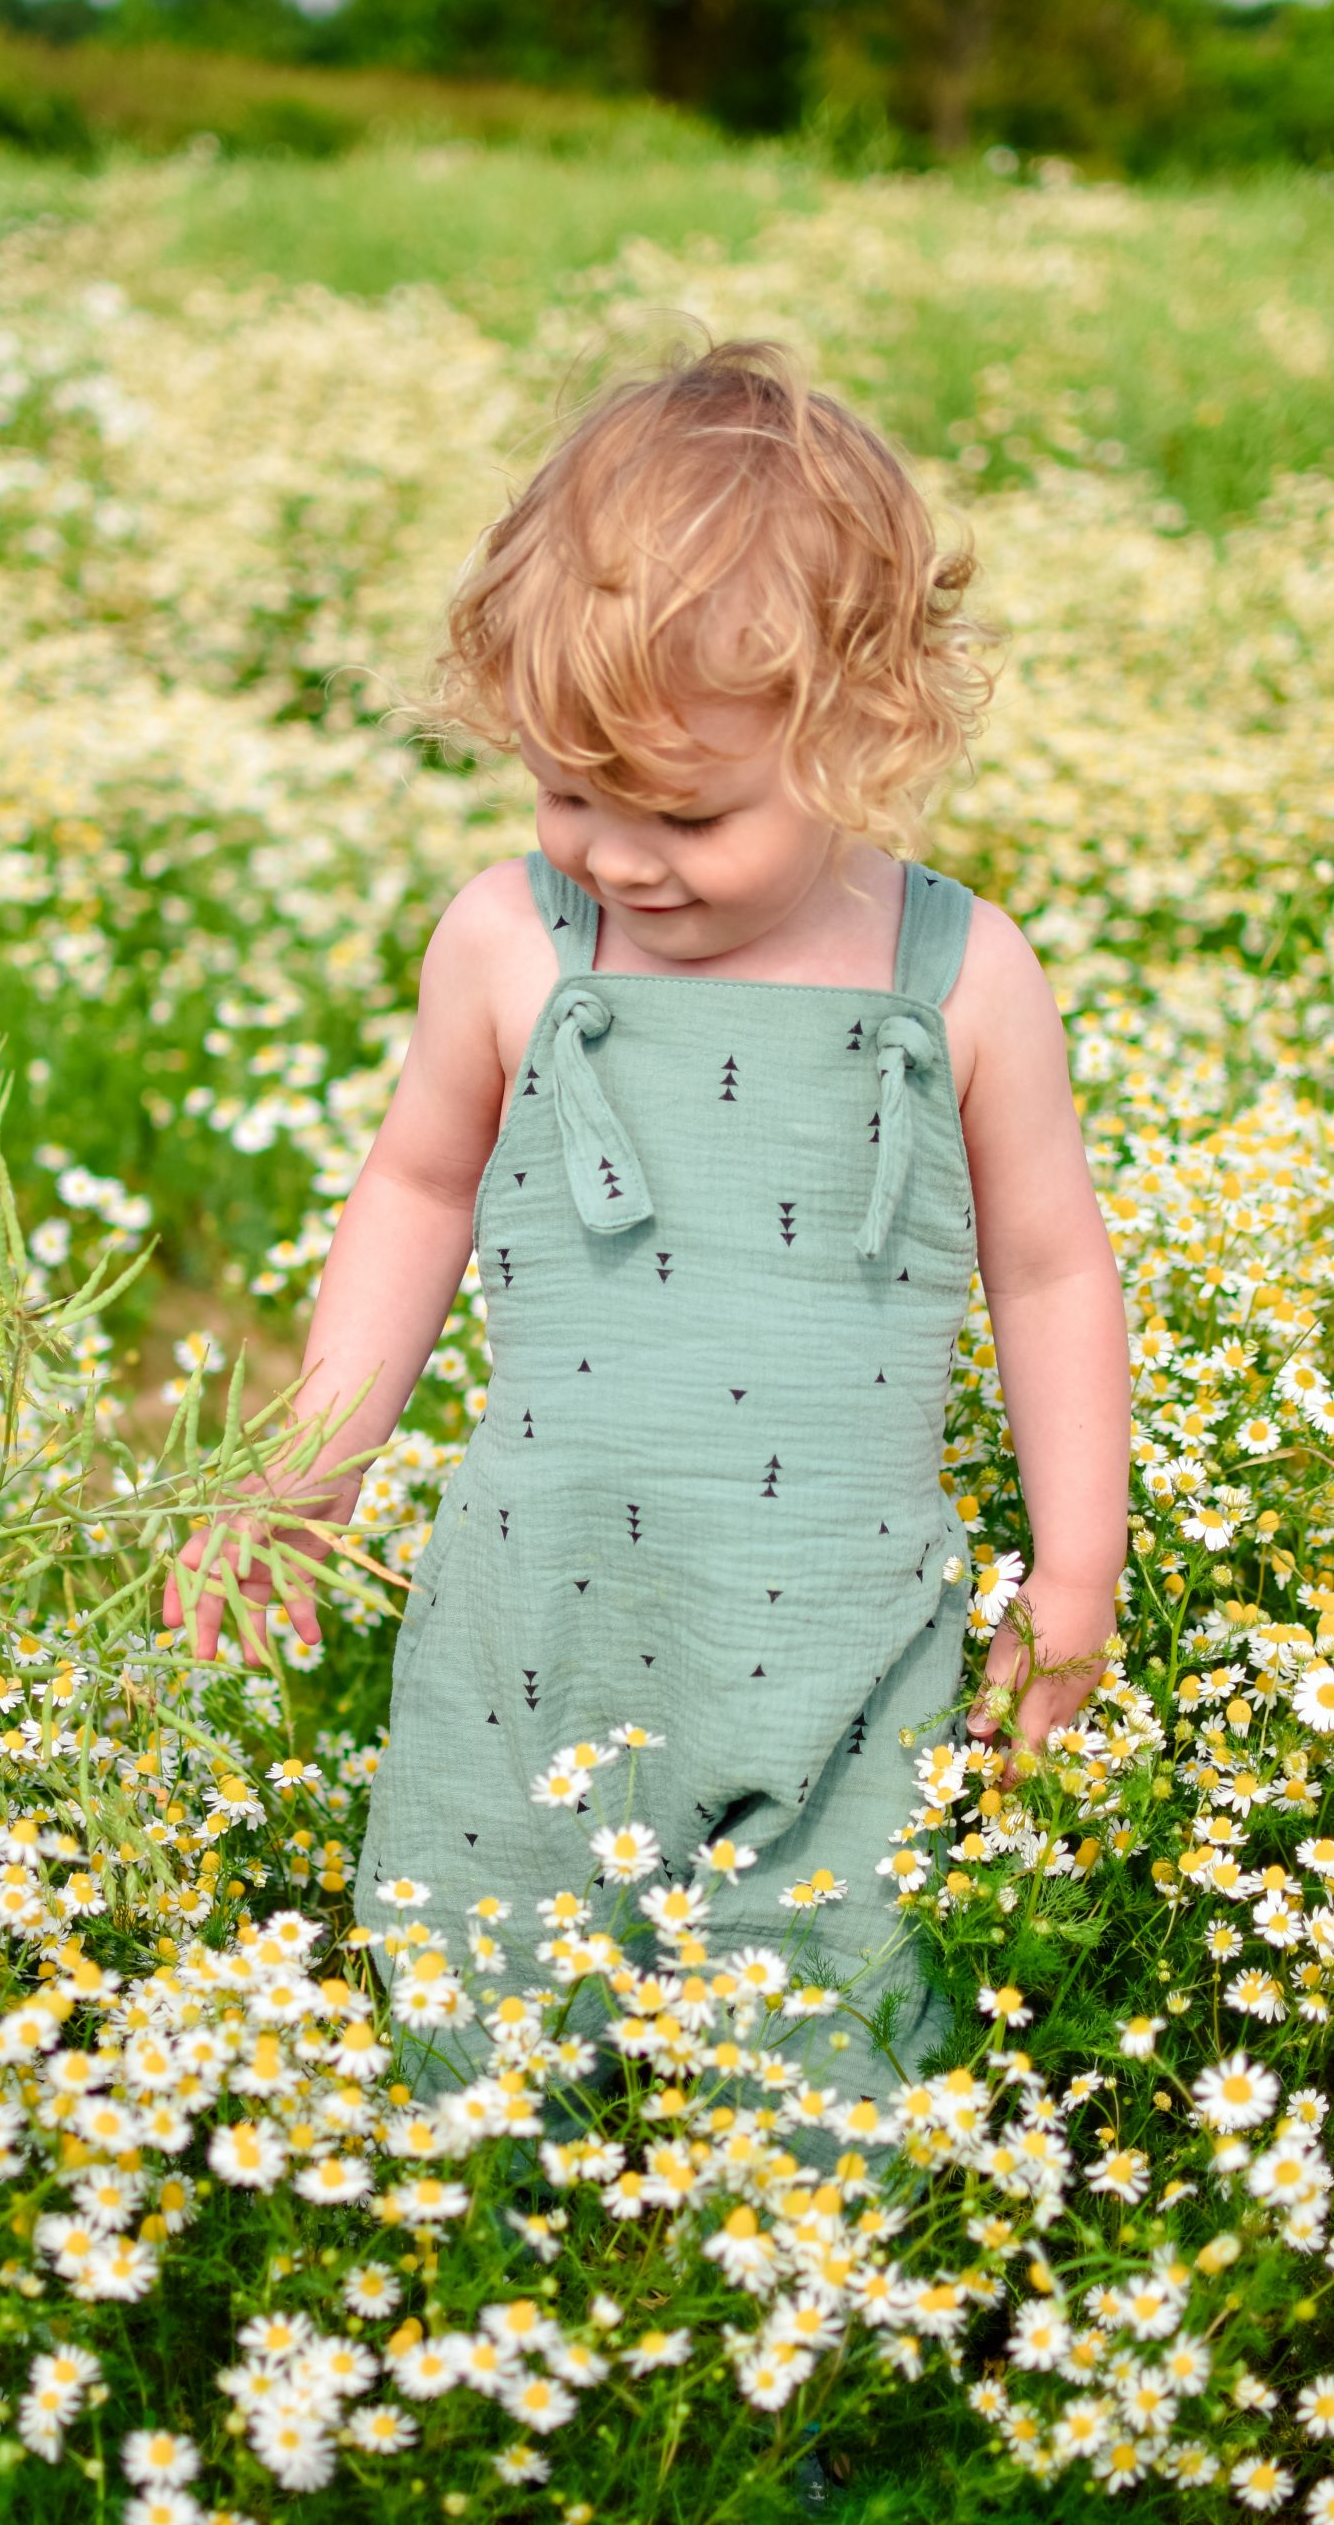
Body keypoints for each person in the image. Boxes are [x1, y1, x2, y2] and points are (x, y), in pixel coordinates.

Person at [164, 336, 1132, 2116]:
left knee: (838, 2010)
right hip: (537, 1608)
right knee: (475, 1980)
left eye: (682, 808)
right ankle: (478, 2231)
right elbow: (420, 1187)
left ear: (862, 732)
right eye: (562, 791)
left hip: (842, 1630)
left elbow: (1053, 1269)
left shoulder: (960, 973)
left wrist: (1079, 1571)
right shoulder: (511, 945)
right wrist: (313, 1460)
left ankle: (797, 2295)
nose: (612, 854)